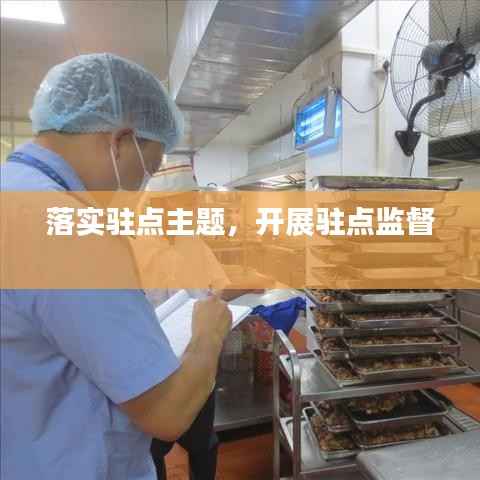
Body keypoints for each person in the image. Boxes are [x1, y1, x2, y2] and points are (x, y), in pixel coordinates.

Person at [0, 53, 232, 480]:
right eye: (147, 169)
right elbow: (167, 412)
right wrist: (209, 333)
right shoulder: (69, 229)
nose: (139, 187)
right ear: (121, 141)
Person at [141, 162, 258, 480]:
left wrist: (246, 285)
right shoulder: (134, 246)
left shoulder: (192, 242)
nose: (194, 210)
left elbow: (214, 289)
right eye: (187, 202)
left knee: (203, 440)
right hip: (155, 366)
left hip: (199, 358)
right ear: (160, 204)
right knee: (152, 449)